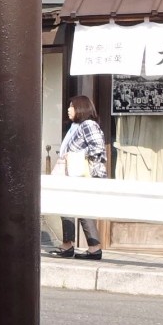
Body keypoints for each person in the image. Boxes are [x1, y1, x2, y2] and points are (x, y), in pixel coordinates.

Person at [53, 92, 108, 259]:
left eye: (72, 106)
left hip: (82, 174)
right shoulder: (76, 126)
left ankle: (92, 247)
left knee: (80, 208)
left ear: (81, 108)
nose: (69, 109)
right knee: (68, 206)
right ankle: (71, 245)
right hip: (72, 173)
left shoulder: (88, 124)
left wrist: (78, 157)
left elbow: (98, 148)